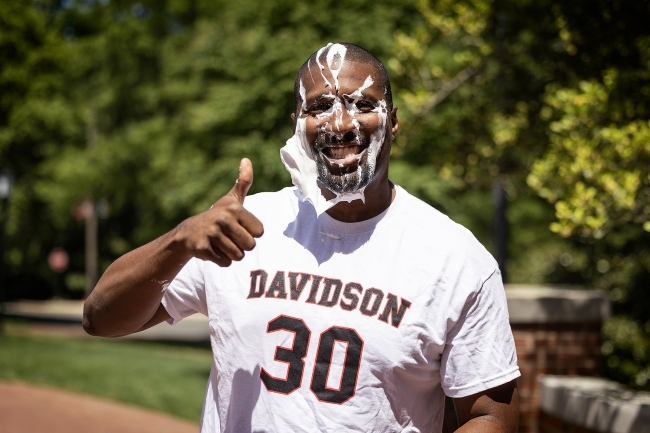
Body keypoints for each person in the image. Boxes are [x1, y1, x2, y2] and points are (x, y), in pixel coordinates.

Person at [84, 42, 520, 432]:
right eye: (319, 107)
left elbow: (490, 416)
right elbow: (100, 318)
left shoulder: (456, 259)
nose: (341, 122)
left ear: (394, 122)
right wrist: (178, 241)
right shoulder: (241, 225)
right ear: (297, 123)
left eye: (362, 103)